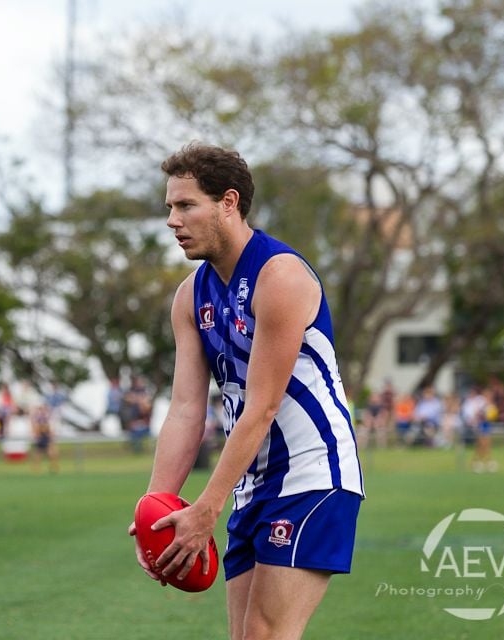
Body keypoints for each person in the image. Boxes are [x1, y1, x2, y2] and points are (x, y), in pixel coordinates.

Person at [129, 144, 364, 640]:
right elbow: (187, 409)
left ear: (228, 202)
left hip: (312, 473)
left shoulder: (279, 276)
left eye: (186, 205)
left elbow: (263, 407)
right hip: (252, 484)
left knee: (265, 635)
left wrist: (207, 509)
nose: (173, 219)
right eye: (170, 207)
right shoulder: (191, 295)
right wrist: (156, 509)